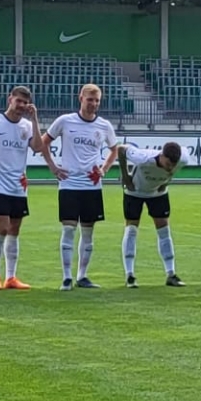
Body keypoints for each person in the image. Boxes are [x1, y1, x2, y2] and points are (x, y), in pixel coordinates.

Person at [42, 84, 121, 289]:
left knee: (88, 232)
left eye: (97, 101)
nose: (93, 104)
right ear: (80, 98)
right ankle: (66, 277)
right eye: (90, 100)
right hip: (69, 183)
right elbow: (43, 142)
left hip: (92, 185)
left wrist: (104, 168)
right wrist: (53, 167)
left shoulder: (104, 125)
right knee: (69, 229)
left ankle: (82, 276)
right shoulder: (65, 121)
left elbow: (115, 149)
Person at [0, 85, 42, 290]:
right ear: (10, 100)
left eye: (25, 102)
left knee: (14, 229)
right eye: (18, 101)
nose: (21, 105)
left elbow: (38, 147)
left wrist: (35, 119)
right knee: (2, 229)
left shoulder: (27, 125)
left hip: (18, 186)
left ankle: (11, 277)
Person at [119, 140, 187, 286]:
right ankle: (129, 275)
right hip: (134, 192)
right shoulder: (143, 158)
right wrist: (125, 176)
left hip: (157, 194)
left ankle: (171, 274)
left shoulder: (183, 158)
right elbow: (121, 149)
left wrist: (166, 182)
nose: (170, 168)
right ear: (162, 156)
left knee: (164, 231)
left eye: (173, 165)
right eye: (168, 164)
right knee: (131, 230)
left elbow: (174, 169)